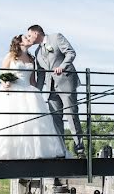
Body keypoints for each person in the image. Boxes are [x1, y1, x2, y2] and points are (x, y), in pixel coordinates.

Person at [0, 35, 67, 160]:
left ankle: (33, 154)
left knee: (33, 124)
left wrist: (37, 94)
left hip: (28, 91)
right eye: (25, 37)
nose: (28, 38)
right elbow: (1, 73)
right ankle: (10, 154)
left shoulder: (31, 58)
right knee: (11, 122)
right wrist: (6, 83)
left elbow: (32, 80)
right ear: (19, 42)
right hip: (12, 90)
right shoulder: (10, 55)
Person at [24, 24, 85, 157]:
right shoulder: (37, 53)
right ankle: (61, 150)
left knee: (71, 115)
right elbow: (40, 75)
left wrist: (62, 66)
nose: (28, 38)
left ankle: (79, 148)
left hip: (66, 83)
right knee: (55, 119)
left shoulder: (56, 37)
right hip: (51, 89)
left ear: (36, 33)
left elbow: (71, 52)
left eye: (29, 35)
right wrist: (36, 93)